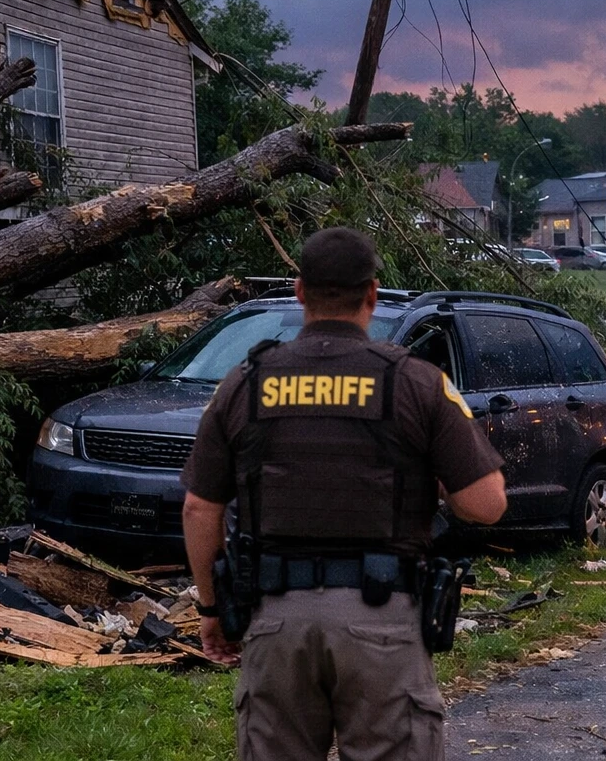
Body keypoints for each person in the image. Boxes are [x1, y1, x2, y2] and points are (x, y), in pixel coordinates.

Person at [180, 227, 507, 760]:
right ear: (373, 294)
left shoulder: (243, 382)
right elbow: (486, 505)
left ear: (299, 291)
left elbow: (199, 507)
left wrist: (212, 608)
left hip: (275, 620)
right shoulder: (418, 383)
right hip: (384, 622)